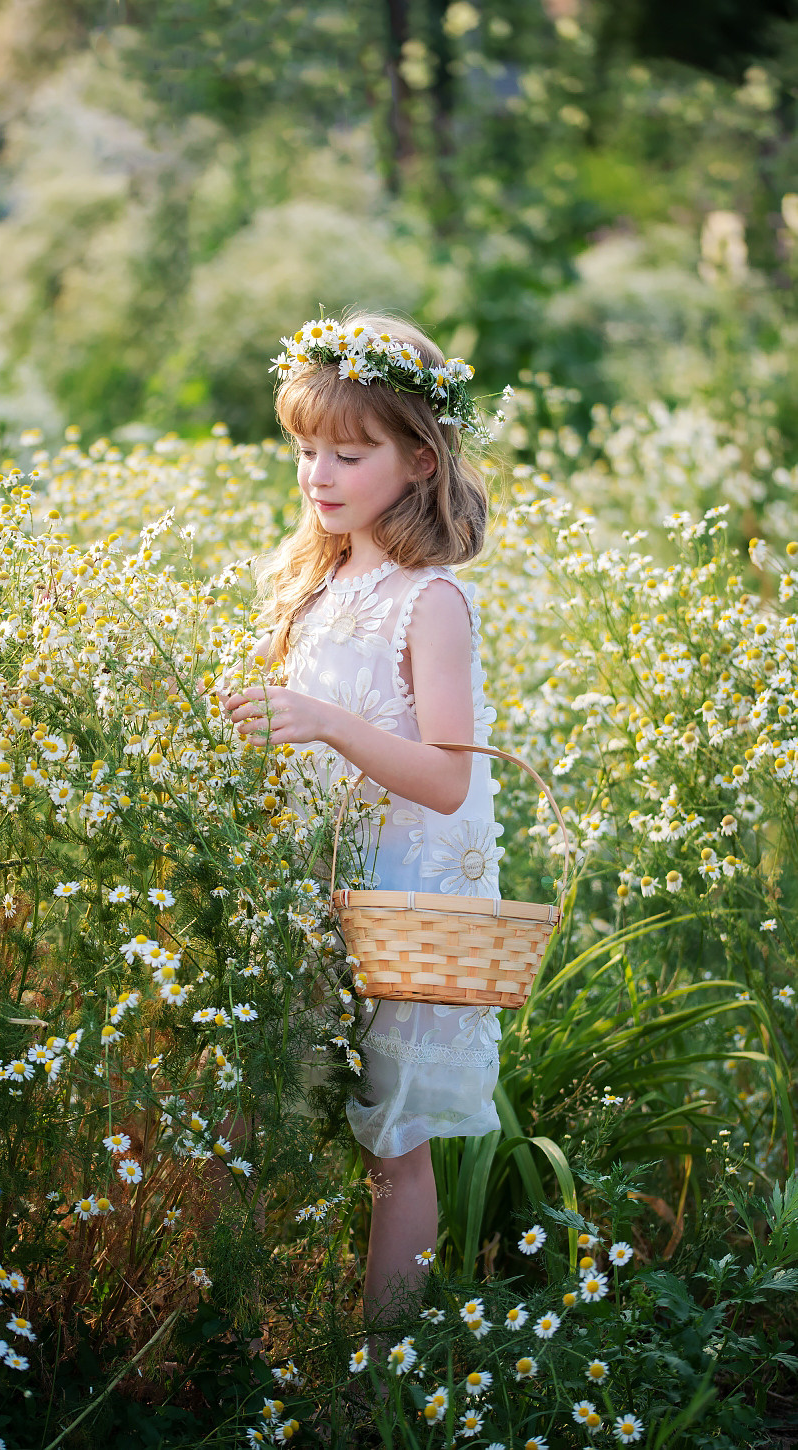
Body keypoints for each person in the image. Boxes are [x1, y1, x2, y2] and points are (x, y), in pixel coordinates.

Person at [223, 311, 505, 1336]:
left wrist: (327, 723)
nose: (317, 474)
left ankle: (384, 1368)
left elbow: (442, 777)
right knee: (248, 1105)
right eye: (304, 449)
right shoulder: (312, 580)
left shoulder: (427, 601)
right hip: (303, 884)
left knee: (392, 1143)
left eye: (347, 452)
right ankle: (240, 1330)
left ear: (418, 458)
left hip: (395, 895)